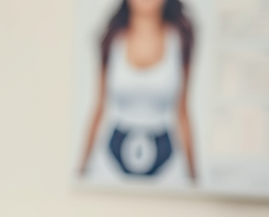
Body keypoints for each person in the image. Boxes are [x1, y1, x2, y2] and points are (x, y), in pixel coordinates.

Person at [79, 0, 196, 186]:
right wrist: (81, 169)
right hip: (112, 162)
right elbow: (99, 107)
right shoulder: (111, 40)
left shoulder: (179, 40)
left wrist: (194, 178)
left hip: (166, 163)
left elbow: (182, 111)